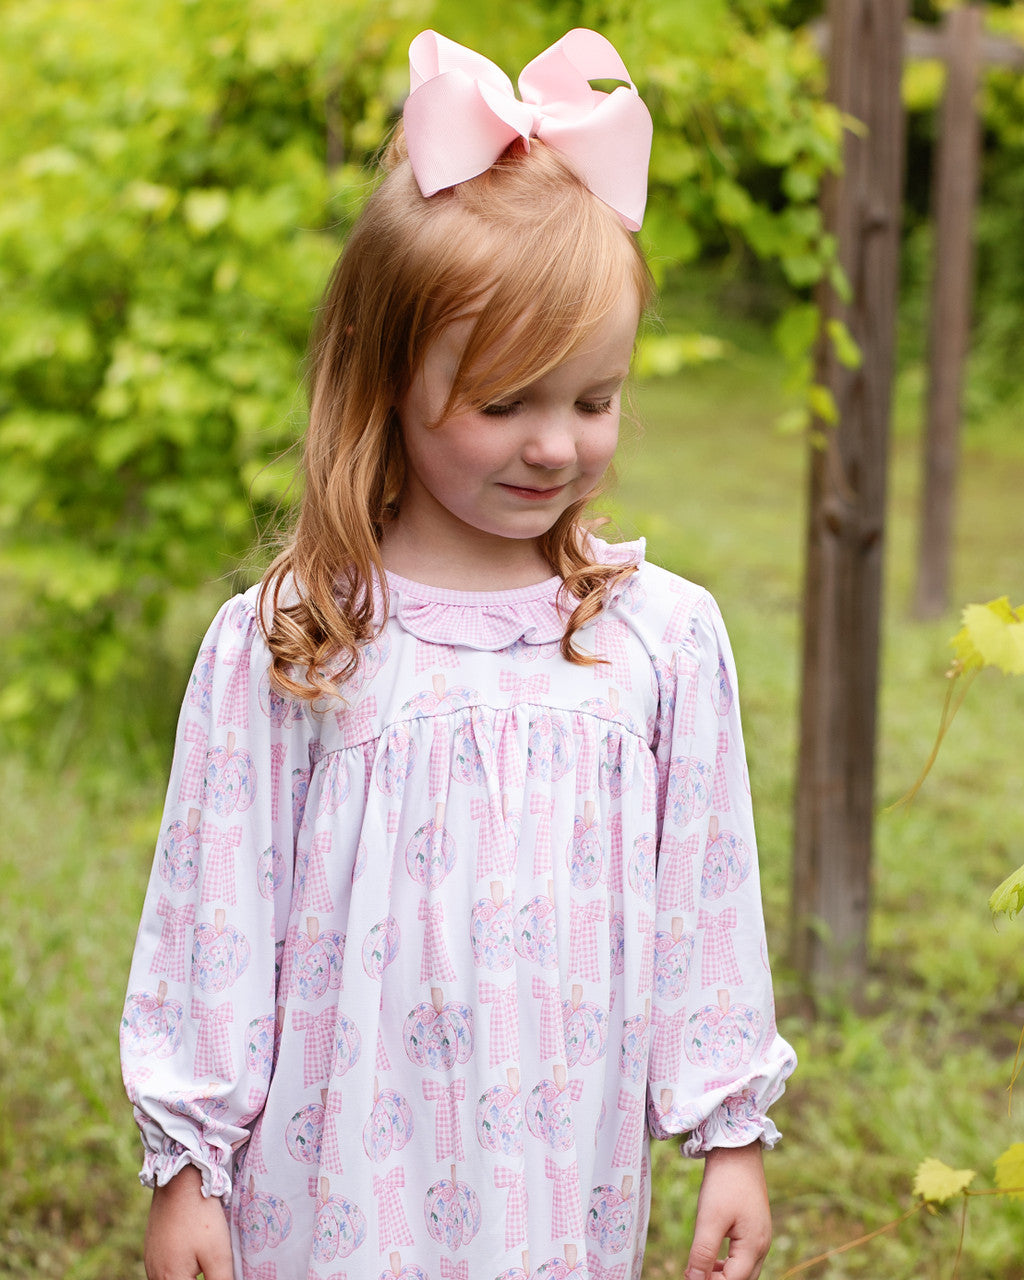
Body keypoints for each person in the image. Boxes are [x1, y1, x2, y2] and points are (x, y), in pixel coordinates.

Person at [121, 27, 796, 1280]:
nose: (557, 445)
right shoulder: (299, 635)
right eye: (504, 402)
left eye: (591, 399)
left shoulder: (654, 638)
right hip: (329, 1197)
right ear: (385, 382)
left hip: (557, 1191)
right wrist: (187, 1165)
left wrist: (728, 1134)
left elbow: (708, 897)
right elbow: (215, 907)